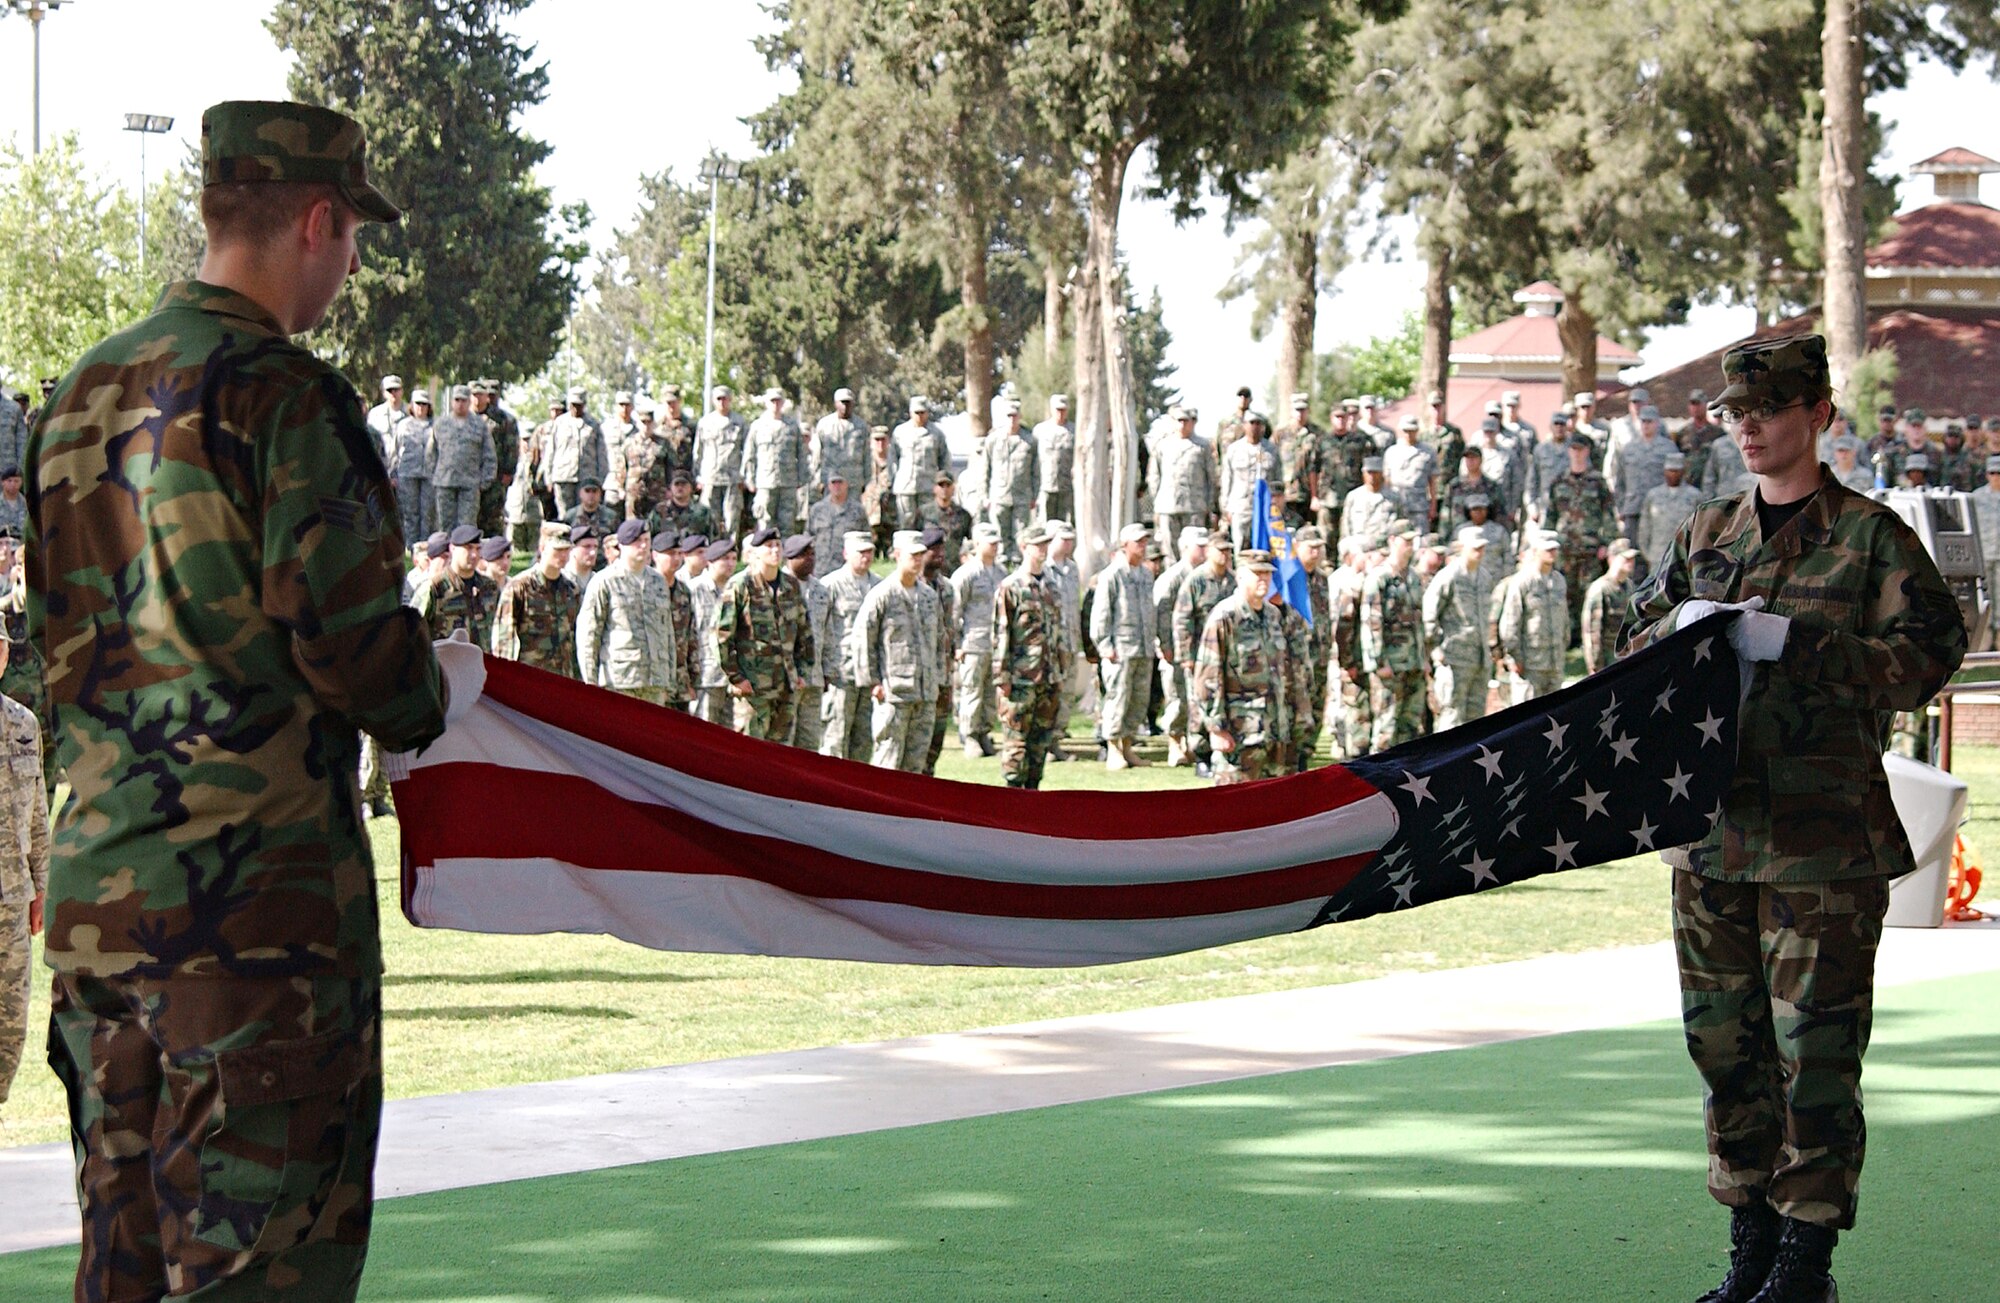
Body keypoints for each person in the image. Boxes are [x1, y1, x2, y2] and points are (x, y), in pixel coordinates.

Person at [25, 99, 451, 1302]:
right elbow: (357, 652)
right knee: (259, 1270)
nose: (352, 262)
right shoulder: (283, 397)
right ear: (316, 221)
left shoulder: (76, 395)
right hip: (250, 920)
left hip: (102, 902)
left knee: (123, 1261)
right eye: (352, 235)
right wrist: (439, 693)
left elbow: (50, 644)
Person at [1621, 334, 1964, 1303]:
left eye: (1768, 409)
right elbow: (1625, 634)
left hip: (1820, 846)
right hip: (1713, 836)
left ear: (1817, 413)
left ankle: (1802, 1265)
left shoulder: (1870, 537)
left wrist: (1804, 646)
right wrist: (1672, 631)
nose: (1750, 427)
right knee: (1723, 1049)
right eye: (1736, 412)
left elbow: (1926, 658)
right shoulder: (1708, 533)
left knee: (1809, 1057)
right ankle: (1747, 1255)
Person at [0, 620, 48, 1116]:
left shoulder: (23, 724)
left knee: (11, 1029)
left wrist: (43, 887)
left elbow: (37, 811)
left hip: (13, 899)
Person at [853, 530, 945, 771]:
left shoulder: (928, 596)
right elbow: (864, 639)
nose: (918, 560)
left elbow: (939, 640)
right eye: (912, 555)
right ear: (896, 555)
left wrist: (938, 679)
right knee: (888, 762)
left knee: (916, 765)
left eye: (920, 555)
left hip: (924, 693)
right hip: (893, 693)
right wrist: (873, 682)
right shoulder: (882, 595)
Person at [1194, 548, 1287, 783]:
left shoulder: (1273, 616)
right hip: (1240, 732)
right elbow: (1208, 676)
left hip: (1273, 730)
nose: (1263, 579)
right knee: (1232, 809)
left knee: (1273, 810)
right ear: (1240, 576)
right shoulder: (1224, 617)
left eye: (1267, 574)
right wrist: (1216, 728)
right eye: (1257, 573)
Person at [714, 526, 814, 739]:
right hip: (753, 687)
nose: (775, 551)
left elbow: (804, 631)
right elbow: (723, 635)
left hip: (785, 684)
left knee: (780, 751)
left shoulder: (791, 585)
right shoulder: (740, 585)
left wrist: (803, 672)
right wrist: (736, 677)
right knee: (749, 751)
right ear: (755, 553)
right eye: (768, 546)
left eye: (778, 545)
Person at [989, 524, 1069, 788]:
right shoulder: (1010, 587)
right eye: (1038, 545)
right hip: (1021, 678)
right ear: (1024, 547)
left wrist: (1061, 670)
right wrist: (1002, 676)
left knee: (1040, 743)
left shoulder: (1051, 586)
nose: (1043, 550)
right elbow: (1001, 633)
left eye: (1046, 544)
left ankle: (1032, 796)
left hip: (1048, 676)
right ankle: (1011, 801)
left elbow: (1059, 632)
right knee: (1016, 745)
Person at [577, 519, 677, 704]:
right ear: (622, 545)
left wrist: (670, 677)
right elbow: (589, 635)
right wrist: (590, 683)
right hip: (619, 681)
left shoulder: (658, 581)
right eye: (637, 541)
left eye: (646, 540)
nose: (643, 545)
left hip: (655, 682)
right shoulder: (604, 581)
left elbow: (667, 632)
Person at [1092, 522, 1159, 770]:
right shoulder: (1112, 575)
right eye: (1138, 542)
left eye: (1145, 542)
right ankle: (1113, 749)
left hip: (1143, 647)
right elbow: (1101, 614)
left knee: (1138, 700)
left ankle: (1128, 746)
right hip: (1120, 648)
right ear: (1125, 545)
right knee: (1118, 698)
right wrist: (1104, 644)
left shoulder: (1145, 574)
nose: (1143, 547)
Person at [1360, 526, 1427, 750]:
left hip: (1413, 663)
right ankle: (1378, 782)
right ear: (1392, 541)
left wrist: (1423, 658)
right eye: (1405, 541)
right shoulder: (1379, 578)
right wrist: (1379, 662)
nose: (1409, 546)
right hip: (1390, 664)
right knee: (1385, 731)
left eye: (1412, 541)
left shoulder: (1414, 578)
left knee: (1409, 728)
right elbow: (1371, 624)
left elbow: (1419, 621)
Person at [1546, 433, 1616, 644]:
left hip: (1590, 548)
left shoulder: (1597, 482)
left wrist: (1607, 543)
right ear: (1569, 451)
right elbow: (1550, 515)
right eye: (1573, 449)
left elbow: (1609, 514)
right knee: (1564, 595)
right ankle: (1568, 639)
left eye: (1581, 449)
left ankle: (1589, 639)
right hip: (1564, 549)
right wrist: (1546, 544)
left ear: (1587, 451)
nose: (1577, 453)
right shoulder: (1558, 481)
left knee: (1588, 595)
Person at [1423, 527, 1493, 731]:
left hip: (1479, 659)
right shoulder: (1449, 577)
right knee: (1451, 718)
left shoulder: (1485, 577)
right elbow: (1429, 614)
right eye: (1475, 548)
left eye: (1482, 548)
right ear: (1463, 547)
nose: (1479, 552)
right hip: (1453, 658)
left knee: (1476, 721)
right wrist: (1435, 650)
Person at [819, 531, 879, 760]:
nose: (866, 557)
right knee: (835, 736)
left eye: (870, 552)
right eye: (860, 552)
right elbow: (820, 630)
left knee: (864, 738)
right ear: (846, 553)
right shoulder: (830, 585)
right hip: (840, 673)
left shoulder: (878, 586)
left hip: (868, 673)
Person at [493, 522, 581, 676]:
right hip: (529, 678)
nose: (563, 555)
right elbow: (504, 639)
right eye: (558, 550)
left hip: (563, 678)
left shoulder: (570, 590)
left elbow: (573, 638)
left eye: (567, 550)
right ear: (543, 548)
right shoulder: (519, 587)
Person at [950, 522, 1006, 757]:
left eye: (996, 542)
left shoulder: (1002, 573)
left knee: (991, 694)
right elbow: (954, 612)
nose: (993, 546)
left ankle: (984, 732)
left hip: (995, 645)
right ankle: (970, 735)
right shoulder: (966, 574)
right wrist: (957, 645)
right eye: (989, 542)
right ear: (977, 544)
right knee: (972, 692)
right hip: (972, 643)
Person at [1499, 530, 1569, 701]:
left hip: (1554, 662)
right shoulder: (1522, 581)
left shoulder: (1559, 581)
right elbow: (1510, 622)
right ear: (1536, 550)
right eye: (1547, 549)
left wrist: (1563, 647)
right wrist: (1514, 657)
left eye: (1554, 549)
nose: (1552, 553)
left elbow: (1564, 619)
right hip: (1530, 664)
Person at [428, 383, 497, 534]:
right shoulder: (441, 424)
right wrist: (433, 476)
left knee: (467, 526)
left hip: (470, 483)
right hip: (445, 482)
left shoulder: (479, 425)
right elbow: (431, 453)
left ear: (469, 402)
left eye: (464, 400)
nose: (460, 404)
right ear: (452, 401)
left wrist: (485, 480)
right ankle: (447, 556)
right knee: (444, 525)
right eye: (457, 400)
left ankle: (466, 556)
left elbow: (489, 454)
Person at [414, 526, 499, 647]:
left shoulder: (490, 588)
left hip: (480, 663)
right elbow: (411, 633)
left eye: (478, 549)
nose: (474, 555)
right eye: (468, 548)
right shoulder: (434, 588)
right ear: (452, 548)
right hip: (445, 663)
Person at [784, 535, 829, 751]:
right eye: (804, 555)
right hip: (786, 679)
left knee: (810, 743)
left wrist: (827, 670)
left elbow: (828, 633)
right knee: (785, 740)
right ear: (790, 558)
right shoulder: (778, 587)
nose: (810, 559)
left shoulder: (821, 590)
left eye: (812, 555)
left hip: (815, 678)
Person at [1153, 407, 1215, 558]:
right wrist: (1157, 500)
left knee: (1195, 549)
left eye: (1185, 421)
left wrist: (1210, 504)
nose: (1182, 425)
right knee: (1169, 551)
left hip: (1194, 506)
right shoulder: (1163, 445)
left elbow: (1211, 478)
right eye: (1179, 421)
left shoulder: (1202, 446)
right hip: (1168, 505)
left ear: (1191, 423)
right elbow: (1154, 475)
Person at [983, 398, 1039, 562]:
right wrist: (985, 496)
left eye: (1014, 416)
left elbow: (1036, 471)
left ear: (1020, 416)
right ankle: (1000, 563)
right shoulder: (993, 439)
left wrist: (1034, 496)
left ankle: (1017, 562)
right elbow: (985, 470)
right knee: (999, 533)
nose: (1011, 419)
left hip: (1022, 495)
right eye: (1008, 416)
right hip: (999, 495)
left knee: (1020, 533)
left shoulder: (1030, 440)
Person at [746, 388, 805, 536]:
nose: (775, 404)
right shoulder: (758, 426)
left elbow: (801, 454)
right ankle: (766, 555)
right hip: (765, 482)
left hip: (788, 482)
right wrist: (750, 479)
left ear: (783, 402)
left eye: (778, 401)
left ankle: (787, 557)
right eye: (772, 401)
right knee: (765, 522)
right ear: (766, 402)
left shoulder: (792, 425)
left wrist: (801, 478)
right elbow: (749, 455)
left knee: (787, 524)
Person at [1219, 412, 1282, 550]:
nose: (1255, 427)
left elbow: (1278, 480)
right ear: (1244, 426)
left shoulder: (1271, 450)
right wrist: (1225, 507)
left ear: (1264, 427)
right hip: (1240, 506)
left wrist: (1278, 504)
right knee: (1239, 546)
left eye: (1258, 424)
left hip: (1265, 507)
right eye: (1251, 423)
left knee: (1264, 547)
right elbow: (1226, 479)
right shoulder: (1234, 449)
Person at [695, 385, 749, 540]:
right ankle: (711, 550)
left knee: (732, 518)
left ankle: (730, 551)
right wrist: (698, 476)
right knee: (710, 518)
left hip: (733, 478)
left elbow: (747, 451)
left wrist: (744, 476)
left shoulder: (739, 422)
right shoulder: (705, 422)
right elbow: (698, 452)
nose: (722, 402)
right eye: (718, 399)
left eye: (725, 398)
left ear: (730, 400)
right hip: (710, 477)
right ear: (713, 401)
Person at [547, 387, 608, 520]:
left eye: (579, 405)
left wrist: (601, 480)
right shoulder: (559, 423)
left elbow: (602, 454)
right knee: (565, 517)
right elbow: (550, 451)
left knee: (585, 517)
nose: (576, 408)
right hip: (563, 477)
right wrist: (548, 477)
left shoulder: (594, 425)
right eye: (573, 405)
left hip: (587, 478)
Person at [1638, 453, 1703, 573]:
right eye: (1669, 470)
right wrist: (1648, 555)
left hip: (1685, 556)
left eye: (1676, 471)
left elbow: (1700, 527)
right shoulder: (1653, 495)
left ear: (1683, 472)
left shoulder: (1695, 496)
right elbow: (1644, 528)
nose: (1672, 474)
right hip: (1658, 556)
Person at [1580, 538, 1637, 675]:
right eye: (1626, 558)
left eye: (1632, 558)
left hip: (1628, 656)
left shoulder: (1631, 587)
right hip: (1607, 659)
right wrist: (1594, 665)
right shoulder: (1600, 589)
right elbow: (1592, 631)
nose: (1631, 562)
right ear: (1611, 559)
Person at [389, 388, 436, 541]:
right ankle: (411, 544)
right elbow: (394, 451)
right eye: (418, 404)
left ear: (429, 407)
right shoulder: (403, 425)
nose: (421, 407)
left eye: (424, 404)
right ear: (412, 405)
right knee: (410, 512)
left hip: (429, 475)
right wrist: (392, 474)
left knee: (427, 513)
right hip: (407, 474)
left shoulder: (436, 426)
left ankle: (425, 544)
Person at [892, 396, 946, 527]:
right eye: (917, 413)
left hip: (928, 485)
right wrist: (892, 478)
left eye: (923, 412)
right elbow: (893, 458)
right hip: (905, 486)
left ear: (927, 412)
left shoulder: (936, 434)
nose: (920, 416)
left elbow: (944, 459)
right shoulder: (900, 432)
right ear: (910, 413)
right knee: (906, 523)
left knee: (929, 523)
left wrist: (942, 484)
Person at [806, 470, 868, 578]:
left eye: (840, 482)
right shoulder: (817, 510)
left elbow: (865, 540)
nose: (837, 486)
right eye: (833, 483)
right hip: (820, 569)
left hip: (847, 571)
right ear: (828, 486)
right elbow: (808, 537)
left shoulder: (858, 511)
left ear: (847, 484)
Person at [811, 386, 869, 500]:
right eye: (842, 402)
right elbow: (816, 455)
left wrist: (867, 481)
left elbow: (866, 455)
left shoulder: (861, 426)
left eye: (848, 403)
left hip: (853, 481)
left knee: (853, 515)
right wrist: (817, 480)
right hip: (831, 479)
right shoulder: (824, 425)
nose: (845, 406)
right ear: (835, 403)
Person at [1034, 394, 1075, 524]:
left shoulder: (1074, 431)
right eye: (1057, 409)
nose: (1060, 413)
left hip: (1067, 487)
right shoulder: (1040, 430)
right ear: (1051, 409)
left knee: (1066, 525)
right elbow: (1032, 459)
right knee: (1044, 524)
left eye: (1063, 410)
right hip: (1046, 486)